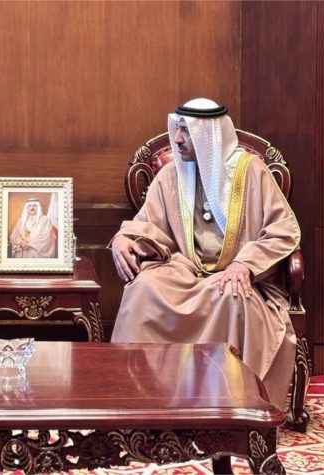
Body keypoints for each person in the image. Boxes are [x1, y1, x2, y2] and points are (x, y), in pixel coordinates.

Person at [110, 98, 300, 410]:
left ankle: (228, 404)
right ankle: (143, 398)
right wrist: (123, 238)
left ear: (209, 134)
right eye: (177, 129)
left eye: (186, 131)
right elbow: (148, 223)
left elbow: (283, 230)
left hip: (236, 276)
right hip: (185, 270)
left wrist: (246, 264)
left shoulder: (251, 172)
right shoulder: (171, 175)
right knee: (143, 288)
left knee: (234, 296)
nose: (177, 139)